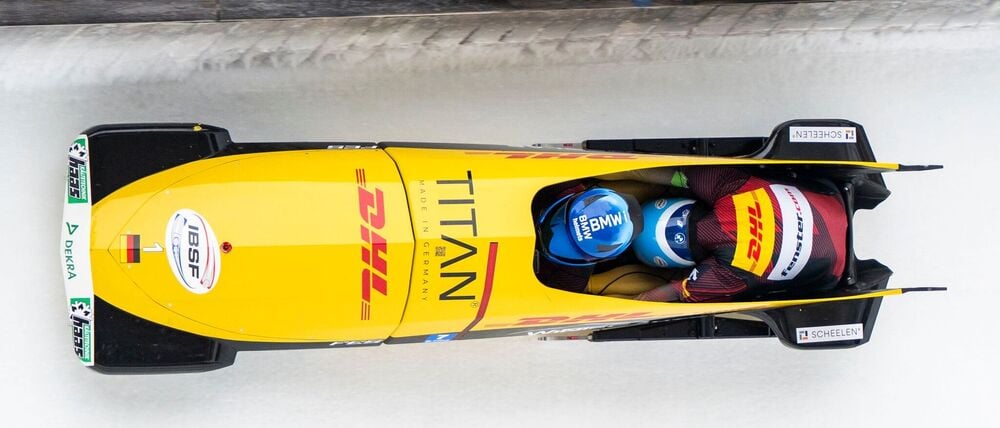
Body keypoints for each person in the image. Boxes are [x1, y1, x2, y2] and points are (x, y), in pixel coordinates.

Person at [536, 166, 848, 303]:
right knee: (673, 289)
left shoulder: (727, 191)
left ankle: (585, 185)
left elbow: (666, 174)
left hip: (832, 268)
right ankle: (586, 288)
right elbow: (661, 296)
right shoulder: (727, 191)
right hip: (827, 201)